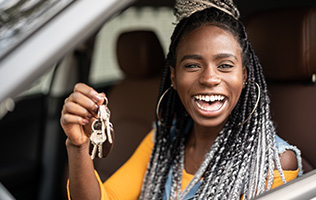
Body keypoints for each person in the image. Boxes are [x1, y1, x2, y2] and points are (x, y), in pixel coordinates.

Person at [60, 0, 303, 199]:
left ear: (245, 77)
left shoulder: (273, 162)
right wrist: (78, 146)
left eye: (225, 65)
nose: (209, 78)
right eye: (193, 65)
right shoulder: (163, 141)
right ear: (174, 78)